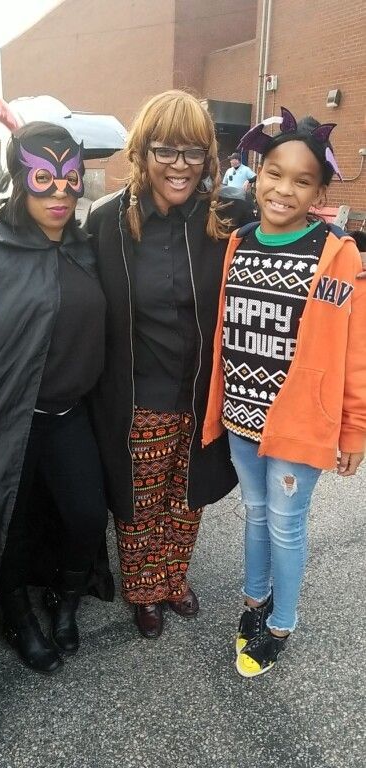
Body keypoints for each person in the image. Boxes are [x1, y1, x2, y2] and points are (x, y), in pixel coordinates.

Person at [203, 107, 366, 677]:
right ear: (256, 175)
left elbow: (354, 349)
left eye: (302, 180)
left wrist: (354, 428)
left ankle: (280, 623)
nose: (283, 189)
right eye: (274, 173)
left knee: (285, 523)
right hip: (241, 413)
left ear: (319, 192)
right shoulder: (239, 241)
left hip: (299, 422)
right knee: (253, 514)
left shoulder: (337, 253)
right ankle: (254, 600)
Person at [87, 89, 254, 639]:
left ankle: (173, 578)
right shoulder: (108, 223)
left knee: (187, 496)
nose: (180, 165)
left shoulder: (222, 219)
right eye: (166, 150)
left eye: (193, 152)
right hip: (139, 394)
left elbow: (287, 238)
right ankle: (144, 590)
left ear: (208, 157)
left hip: (202, 392)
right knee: (141, 502)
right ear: (142, 152)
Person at [0, 121, 109, 683]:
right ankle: (18, 617)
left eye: (70, 179)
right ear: (19, 180)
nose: (60, 193)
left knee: (85, 514)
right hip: (11, 421)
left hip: (69, 415)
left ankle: (65, 597)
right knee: (8, 523)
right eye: (43, 179)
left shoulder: (86, 249)